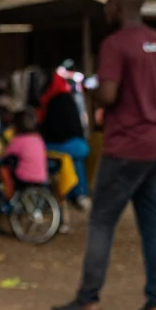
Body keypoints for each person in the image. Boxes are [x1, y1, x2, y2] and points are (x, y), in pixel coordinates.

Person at [53, 0, 156, 310]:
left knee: (102, 222)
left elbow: (108, 95)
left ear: (119, 8)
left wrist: (93, 93)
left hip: (127, 145)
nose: (105, 13)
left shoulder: (115, 44)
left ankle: (88, 298)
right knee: (153, 225)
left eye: (108, 6)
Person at [41, 75, 92, 210]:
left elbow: (50, 129)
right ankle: (80, 194)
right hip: (80, 146)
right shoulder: (69, 99)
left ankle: (65, 195)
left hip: (65, 146)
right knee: (76, 162)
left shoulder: (53, 102)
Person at [2, 110, 48, 185]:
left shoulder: (17, 140)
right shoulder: (38, 138)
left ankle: (6, 194)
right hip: (41, 178)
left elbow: (5, 154)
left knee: (2, 167)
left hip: (23, 179)